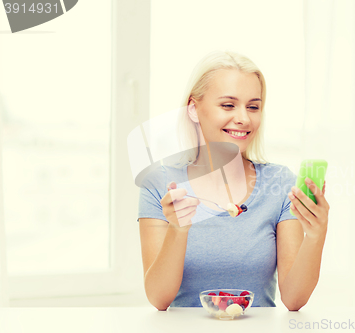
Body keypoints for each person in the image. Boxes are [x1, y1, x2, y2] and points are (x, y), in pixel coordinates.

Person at [137, 50, 330, 311]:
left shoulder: (280, 182)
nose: (244, 118)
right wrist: (178, 230)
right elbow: (158, 299)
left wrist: (315, 235)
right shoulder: (159, 184)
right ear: (194, 109)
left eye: (253, 106)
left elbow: (294, 300)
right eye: (228, 105)